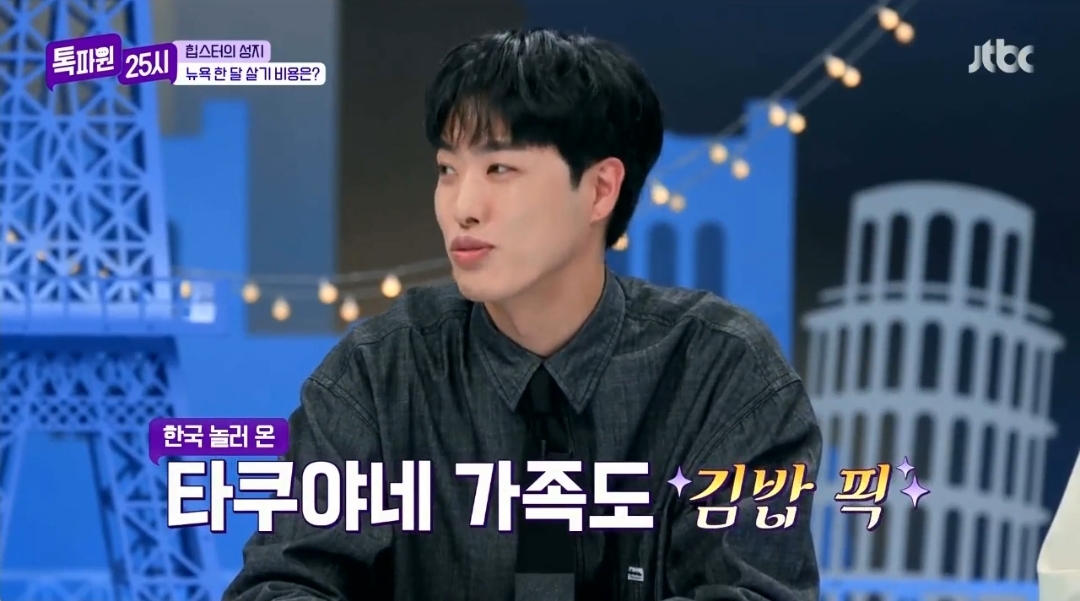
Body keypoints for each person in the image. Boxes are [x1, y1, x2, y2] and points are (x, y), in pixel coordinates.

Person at [225, 28, 821, 601]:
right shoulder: (381, 373)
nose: (462, 207)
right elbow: (281, 584)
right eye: (447, 170)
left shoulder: (721, 372)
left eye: (500, 169)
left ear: (600, 189)